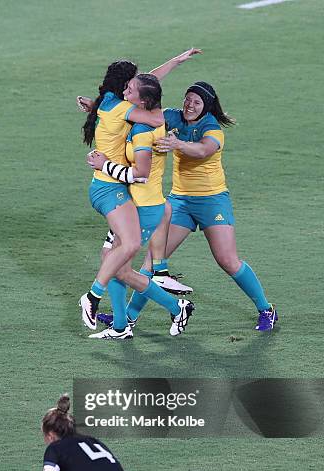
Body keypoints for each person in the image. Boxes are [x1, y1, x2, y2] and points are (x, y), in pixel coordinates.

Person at [98, 50, 278, 332]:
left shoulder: (212, 129)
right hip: (179, 202)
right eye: (187, 99)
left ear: (206, 106)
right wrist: (101, 111)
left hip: (212, 201)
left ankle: (266, 309)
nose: (189, 105)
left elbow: (203, 150)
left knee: (228, 261)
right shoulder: (172, 117)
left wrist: (177, 145)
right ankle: (129, 319)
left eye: (196, 102)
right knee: (153, 262)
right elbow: (144, 91)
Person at [79, 65, 195, 337]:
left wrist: (105, 165)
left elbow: (140, 175)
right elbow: (147, 86)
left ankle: (172, 308)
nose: (124, 90)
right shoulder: (134, 116)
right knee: (115, 263)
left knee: (118, 265)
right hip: (132, 202)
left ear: (141, 102)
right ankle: (124, 325)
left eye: (130, 89)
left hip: (145, 206)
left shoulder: (142, 129)